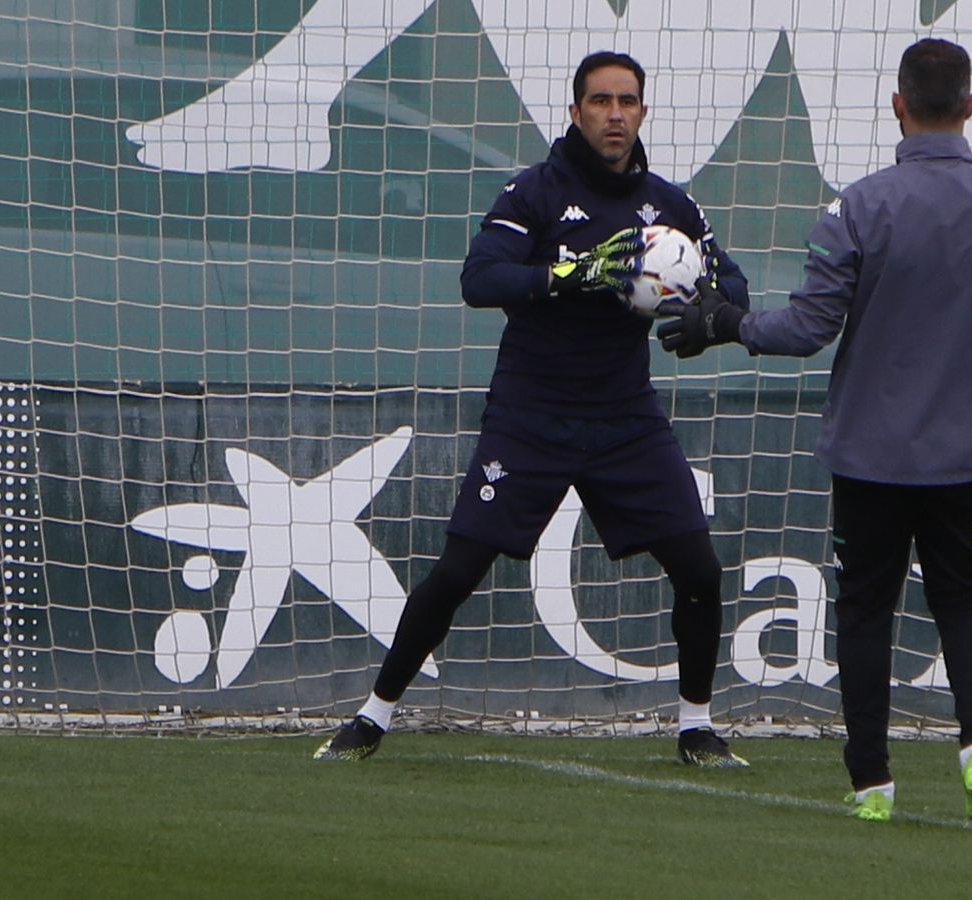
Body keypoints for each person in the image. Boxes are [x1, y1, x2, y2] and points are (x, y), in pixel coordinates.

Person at [656, 38, 972, 819]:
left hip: (870, 455)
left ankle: (872, 783)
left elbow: (809, 327)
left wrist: (726, 322)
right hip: (965, 457)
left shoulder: (860, 204)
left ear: (898, 104)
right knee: (962, 601)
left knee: (864, 612)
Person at [315, 50, 752, 768]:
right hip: (532, 415)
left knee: (700, 571)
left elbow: (728, 280)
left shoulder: (670, 208)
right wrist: (570, 273)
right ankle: (372, 716)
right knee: (457, 571)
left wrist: (708, 312)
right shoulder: (534, 193)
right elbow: (479, 278)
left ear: (643, 112)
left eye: (628, 101)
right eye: (601, 101)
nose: (615, 114)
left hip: (625, 420)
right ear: (576, 110)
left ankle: (697, 729)